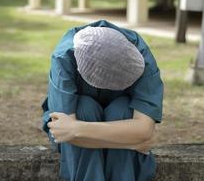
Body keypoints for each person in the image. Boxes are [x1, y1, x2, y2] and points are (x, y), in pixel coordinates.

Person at [41, 19, 164, 181]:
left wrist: (76, 128)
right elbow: (62, 131)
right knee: (84, 108)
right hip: (87, 117)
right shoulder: (64, 57)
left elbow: (144, 130)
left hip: (116, 116)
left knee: (122, 108)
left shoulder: (141, 56)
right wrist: (130, 143)